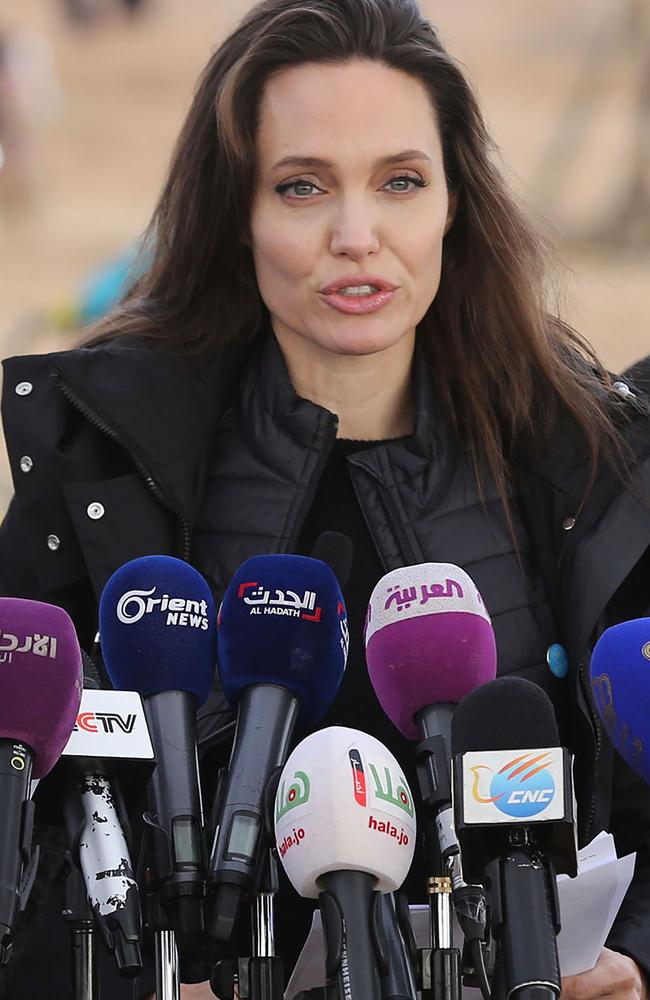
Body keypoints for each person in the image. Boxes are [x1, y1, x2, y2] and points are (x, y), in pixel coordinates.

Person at [1, 0, 649, 997]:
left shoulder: (582, 461)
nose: (358, 235)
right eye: (302, 186)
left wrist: (636, 962)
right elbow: (31, 833)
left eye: (399, 181)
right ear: (237, 215)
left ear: (452, 204)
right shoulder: (105, 474)